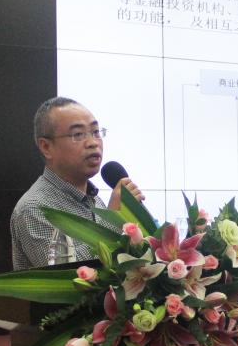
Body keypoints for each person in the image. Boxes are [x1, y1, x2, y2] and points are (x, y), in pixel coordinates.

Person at [10, 97, 143, 270]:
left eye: (96, 132)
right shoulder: (35, 208)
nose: (93, 143)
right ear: (46, 147)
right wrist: (113, 218)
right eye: (78, 135)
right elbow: (66, 275)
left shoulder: (94, 199)